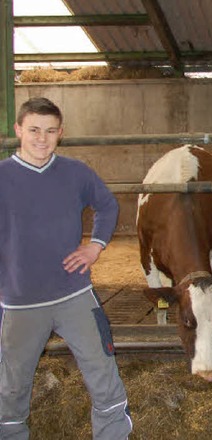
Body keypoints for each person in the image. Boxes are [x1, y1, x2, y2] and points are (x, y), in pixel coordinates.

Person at [0, 97, 132, 439]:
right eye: (33, 130)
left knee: (102, 371)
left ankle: (113, 434)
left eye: (50, 131)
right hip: (19, 302)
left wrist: (95, 246)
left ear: (61, 133)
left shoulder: (76, 173)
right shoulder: (3, 177)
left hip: (74, 294)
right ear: (18, 130)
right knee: (11, 385)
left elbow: (106, 205)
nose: (41, 138)